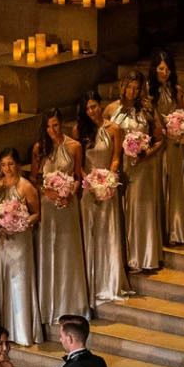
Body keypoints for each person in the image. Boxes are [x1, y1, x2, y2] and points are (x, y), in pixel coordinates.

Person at [33, 109, 90, 332]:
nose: (53, 130)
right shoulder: (40, 148)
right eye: (49, 126)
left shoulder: (74, 146)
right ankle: (51, 306)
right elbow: (35, 179)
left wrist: (70, 192)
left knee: (69, 252)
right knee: (51, 251)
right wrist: (47, 192)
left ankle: (73, 304)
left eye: (56, 125)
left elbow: (77, 176)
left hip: (68, 205)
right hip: (48, 207)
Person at [106, 72, 165, 273]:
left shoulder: (148, 109)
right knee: (119, 211)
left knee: (139, 209)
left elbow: (159, 139)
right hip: (118, 165)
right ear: (122, 86)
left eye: (137, 88)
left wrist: (145, 152)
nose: (132, 91)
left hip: (141, 166)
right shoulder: (112, 109)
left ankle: (142, 256)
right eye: (129, 87)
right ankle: (121, 257)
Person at [77, 92, 131, 307]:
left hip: (108, 185)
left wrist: (109, 177)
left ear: (100, 106)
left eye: (94, 106)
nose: (92, 111)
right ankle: (92, 282)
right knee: (91, 233)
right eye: (88, 108)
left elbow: (117, 156)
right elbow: (78, 163)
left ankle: (110, 281)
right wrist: (88, 180)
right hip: (88, 188)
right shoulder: (80, 131)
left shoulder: (114, 129)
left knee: (108, 232)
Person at [0, 148, 42, 347]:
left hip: (21, 241)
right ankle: (4, 329)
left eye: (10, 164)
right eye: (3, 165)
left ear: (18, 164)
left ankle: (23, 329)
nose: (7, 168)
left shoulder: (26, 186)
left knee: (20, 280)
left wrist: (21, 222)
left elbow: (36, 213)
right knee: (3, 279)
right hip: (3, 241)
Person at [150, 50, 184, 248]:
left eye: (167, 69)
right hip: (158, 144)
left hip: (173, 142)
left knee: (174, 183)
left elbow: (181, 112)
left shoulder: (176, 89)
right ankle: (158, 231)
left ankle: (174, 231)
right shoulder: (149, 91)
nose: (164, 72)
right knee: (158, 184)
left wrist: (179, 126)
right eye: (160, 69)